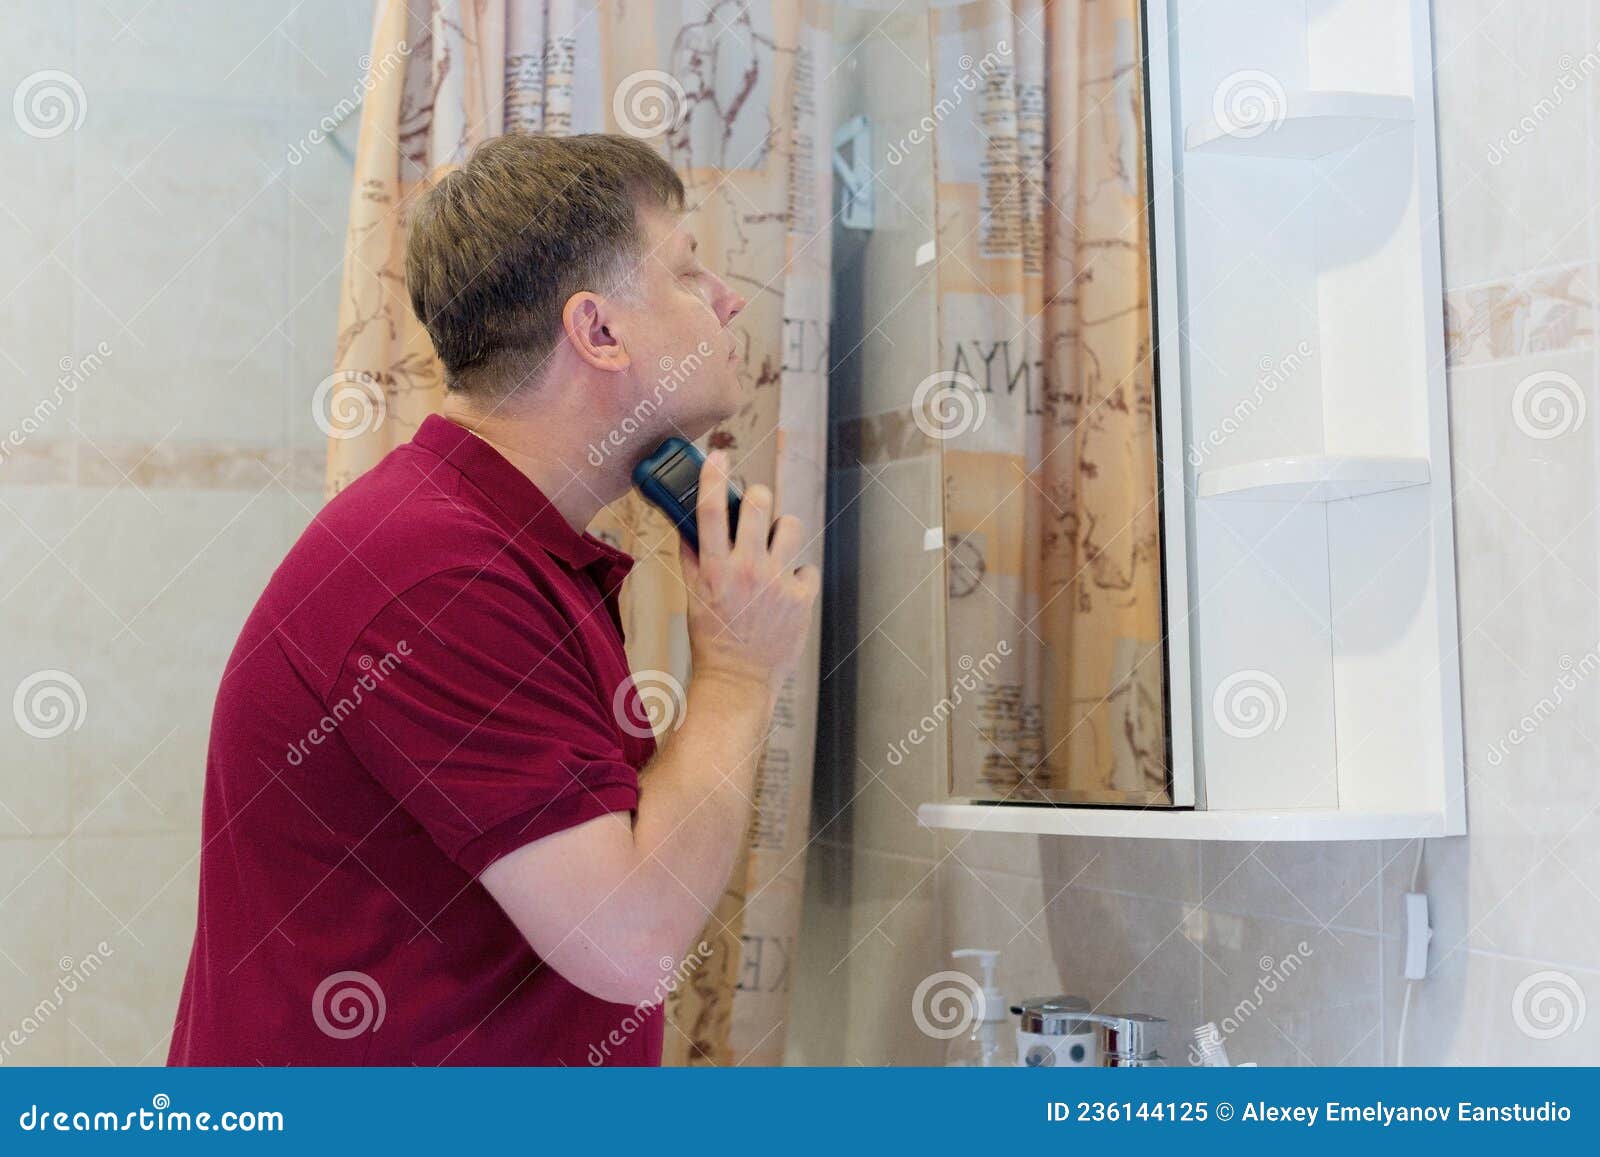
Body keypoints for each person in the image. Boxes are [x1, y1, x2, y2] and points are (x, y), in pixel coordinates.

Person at [167, 133, 819, 1066]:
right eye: (687, 270)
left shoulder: (492, 546)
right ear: (598, 331)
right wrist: (740, 672)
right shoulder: (440, 571)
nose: (729, 298)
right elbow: (630, 939)